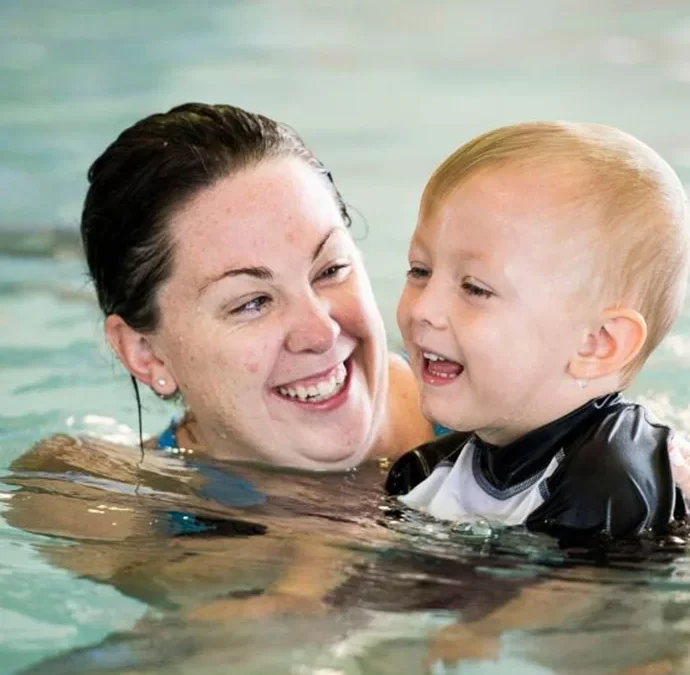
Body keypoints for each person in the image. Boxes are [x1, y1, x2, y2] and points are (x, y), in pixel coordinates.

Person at [77, 101, 434, 471]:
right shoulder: (116, 506)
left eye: (330, 270)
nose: (322, 332)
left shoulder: (488, 418)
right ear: (145, 353)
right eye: (253, 302)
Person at [387, 121, 690, 540]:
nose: (423, 308)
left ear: (597, 343)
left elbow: (575, 604)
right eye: (420, 271)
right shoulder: (426, 471)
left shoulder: (613, 478)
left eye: (475, 288)